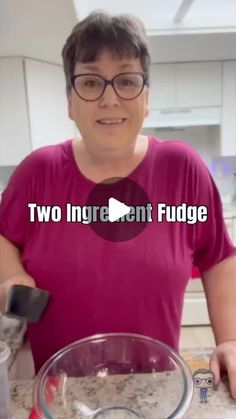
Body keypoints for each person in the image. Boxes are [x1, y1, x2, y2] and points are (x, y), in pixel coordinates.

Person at [0, 11, 236, 397]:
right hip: (59, 390)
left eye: (126, 80)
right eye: (91, 82)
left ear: (146, 97)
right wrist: (11, 277)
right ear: (70, 101)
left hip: (155, 387)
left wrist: (231, 340)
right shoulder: (38, 172)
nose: (109, 98)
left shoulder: (183, 169)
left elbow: (219, 257)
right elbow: (3, 235)